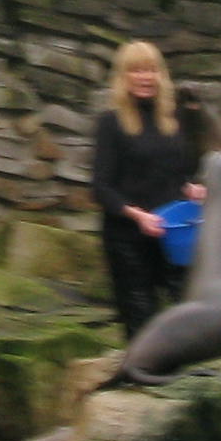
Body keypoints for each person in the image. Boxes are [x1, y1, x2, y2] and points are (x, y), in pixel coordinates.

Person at [87, 39, 201, 340]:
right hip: (128, 238)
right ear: (123, 77)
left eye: (150, 70)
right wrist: (138, 217)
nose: (144, 77)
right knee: (142, 324)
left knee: (191, 310)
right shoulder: (110, 123)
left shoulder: (175, 119)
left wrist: (191, 188)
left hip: (173, 234)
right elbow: (101, 187)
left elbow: (180, 171)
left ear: (161, 75)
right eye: (136, 70)